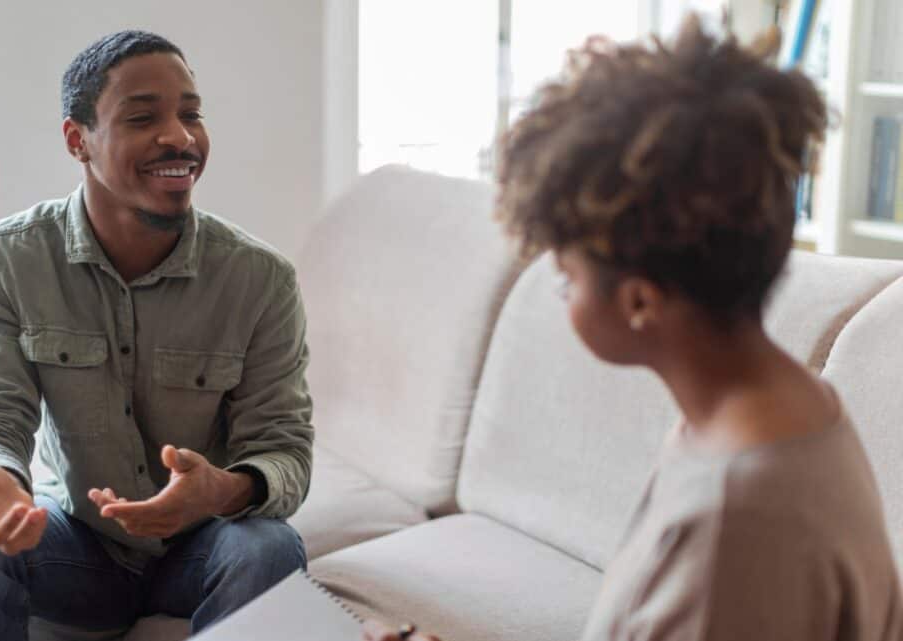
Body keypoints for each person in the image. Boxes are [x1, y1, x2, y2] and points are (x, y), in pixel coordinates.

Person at [364, 15, 903, 641]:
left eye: (567, 275)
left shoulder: (735, 524)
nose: (560, 292)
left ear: (641, 302)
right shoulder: (782, 412)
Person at [0, 30, 312, 641]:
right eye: (142, 117)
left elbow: (285, 449)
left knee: (271, 548)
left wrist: (223, 489)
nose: (181, 136)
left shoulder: (260, 278)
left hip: (201, 547)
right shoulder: (6, 260)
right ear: (79, 140)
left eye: (191, 114)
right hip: (75, 544)